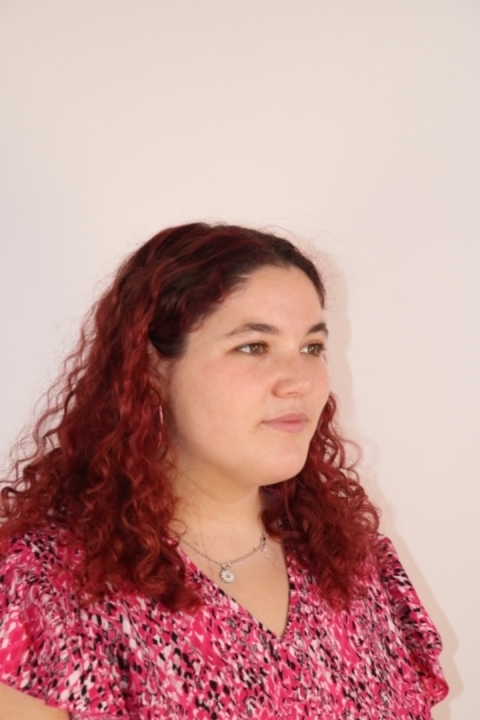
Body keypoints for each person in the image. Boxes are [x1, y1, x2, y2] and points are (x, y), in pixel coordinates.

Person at [0, 223, 447, 719]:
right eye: (254, 346)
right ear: (150, 368)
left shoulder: (354, 565)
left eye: (312, 347)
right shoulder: (48, 590)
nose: (300, 381)